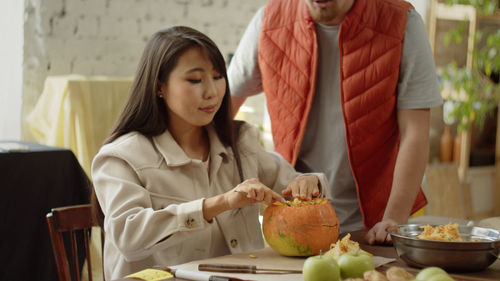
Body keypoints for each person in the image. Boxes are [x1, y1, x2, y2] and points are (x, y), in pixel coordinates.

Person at [91, 26, 327, 280]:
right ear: (159, 86)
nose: (212, 92)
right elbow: (129, 237)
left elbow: (290, 186)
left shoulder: (239, 142)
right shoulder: (120, 158)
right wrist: (218, 204)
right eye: (195, 80)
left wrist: (308, 183)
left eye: (217, 76)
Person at [228, 0, 443, 244]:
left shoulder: (402, 21)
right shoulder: (268, 21)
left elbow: (415, 131)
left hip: (377, 224)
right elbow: (219, 116)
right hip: (293, 221)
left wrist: (393, 219)